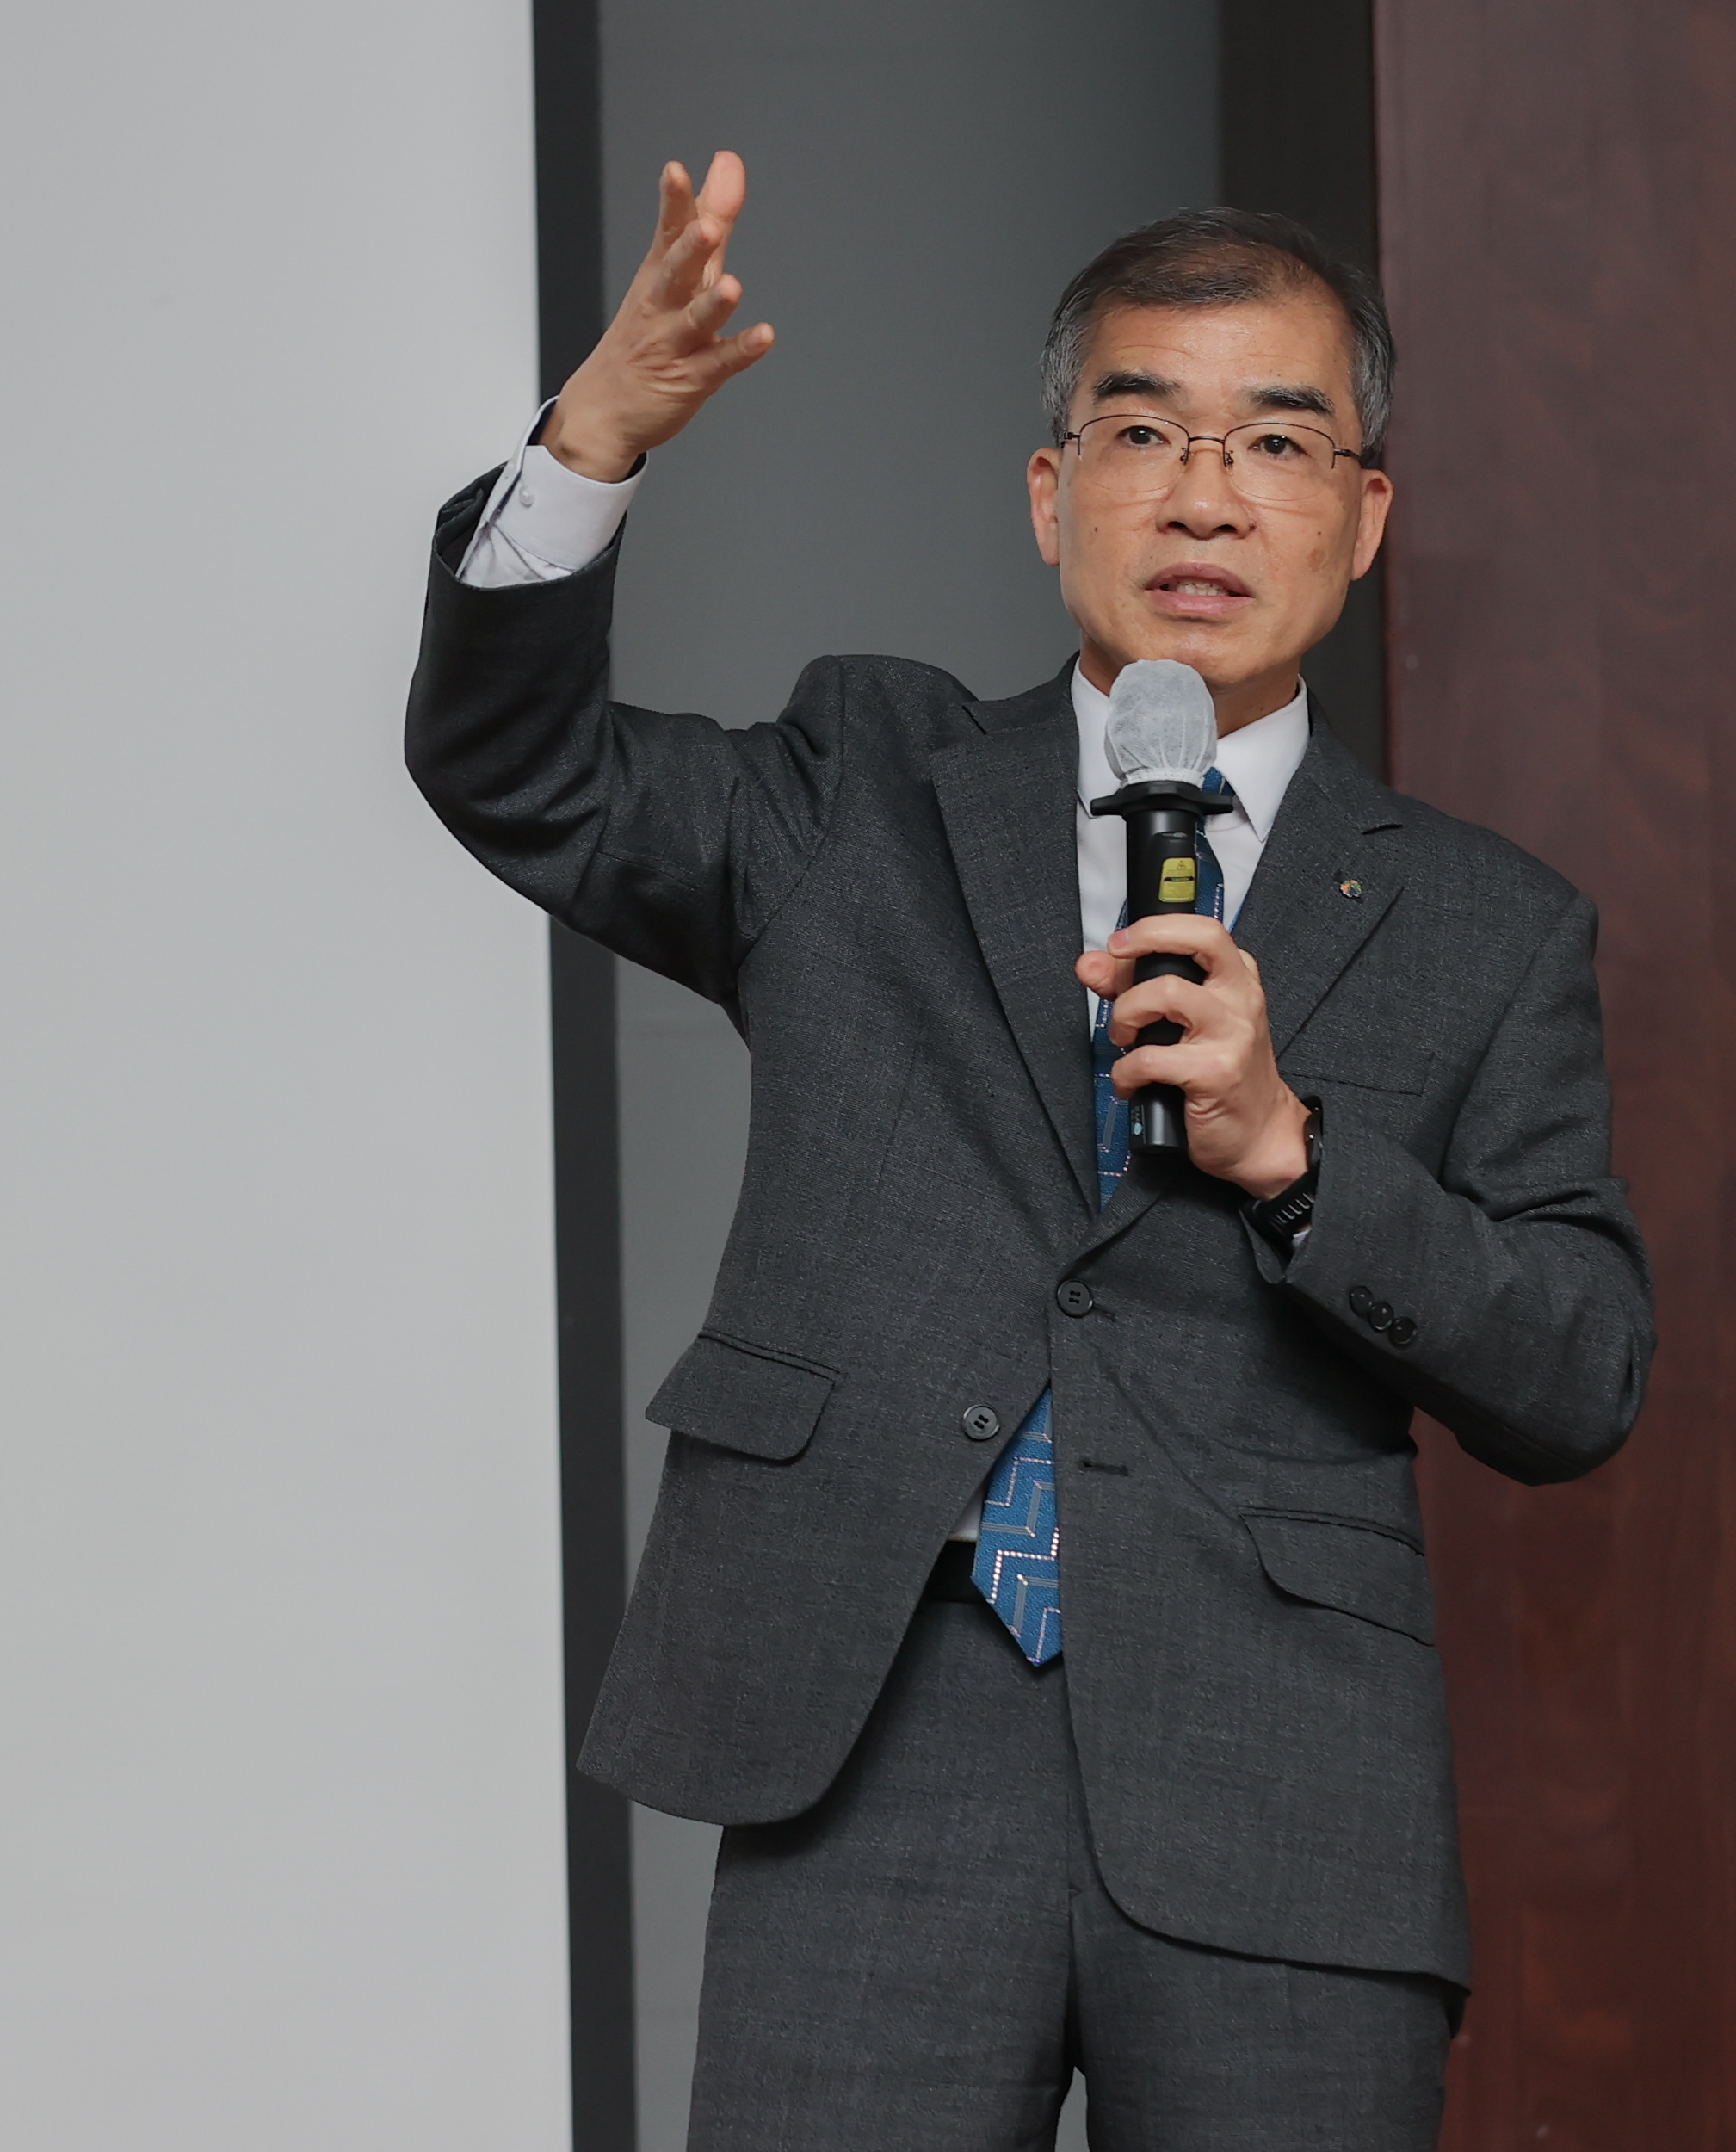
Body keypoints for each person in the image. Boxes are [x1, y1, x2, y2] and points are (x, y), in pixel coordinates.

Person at [406, 155, 1653, 2149]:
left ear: (1362, 516)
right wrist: (589, 447)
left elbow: (1579, 1371)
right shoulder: (861, 787)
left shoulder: (1488, 927)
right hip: (871, 1744)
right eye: (1141, 431)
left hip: (1283, 1782)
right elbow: (517, 769)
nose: (1203, 495)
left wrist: (1294, 1154)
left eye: (1274, 441)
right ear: (1049, 494)